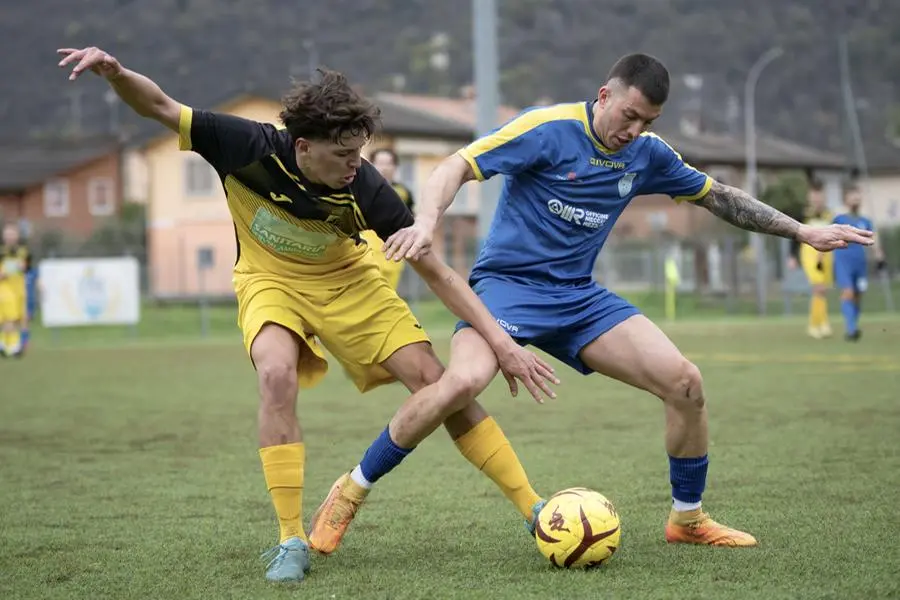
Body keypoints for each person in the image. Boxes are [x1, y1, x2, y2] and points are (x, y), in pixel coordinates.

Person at [58, 46, 558, 583]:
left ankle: (533, 509)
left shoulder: (366, 186)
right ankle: (291, 537)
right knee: (276, 374)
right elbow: (158, 105)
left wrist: (501, 343)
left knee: (437, 382)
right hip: (268, 281)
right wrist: (116, 74)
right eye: (344, 154)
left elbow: (438, 274)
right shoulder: (242, 145)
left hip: (349, 284)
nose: (355, 165)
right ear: (302, 146)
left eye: (359, 153)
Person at [359, 53, 871, 550]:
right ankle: (352, 489)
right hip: (506, 288)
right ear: (605, 95)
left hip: (578, 297)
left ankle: (687, 520)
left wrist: (802, 230)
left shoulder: (648, 153)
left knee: (685, 382)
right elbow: (456, 165)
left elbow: (719, 196)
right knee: (462, 384)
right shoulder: (548, 128)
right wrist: (425, 222)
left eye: (647, 122)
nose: (634, 130)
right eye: (629, 115)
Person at [832, 184, 886, 341]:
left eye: (858, 195)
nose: (856, 198)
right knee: (848, 292)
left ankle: (853, 325)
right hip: (843, 262)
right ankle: (851, 329)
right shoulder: (839, 219)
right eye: (852, 195)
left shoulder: (865, 221)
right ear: (845, 199)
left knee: (858, 296)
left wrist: (879, 257)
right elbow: (828, 236)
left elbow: (873, 239)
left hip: (860, 264)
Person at [360, 148, 414, 290]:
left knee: (388, 292)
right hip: (366, 249)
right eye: (380, 163)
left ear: (395, 167)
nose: (384, 167)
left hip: (393, 251)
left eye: (388, 163)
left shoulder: (404, 192)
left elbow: (411, 220)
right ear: (371, 165)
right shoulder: (361, 188)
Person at [795, 179, 835, 339]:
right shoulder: (804, 214)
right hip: (810, 253)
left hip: (826, 254)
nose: (817, 198)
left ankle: (823, 323)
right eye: (814, 195)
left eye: (820, 195)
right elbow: (794, 234)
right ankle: (814, 325)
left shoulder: (829, 214)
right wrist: (792, 256)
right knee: (818, 287)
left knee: (823, 290)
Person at [0, 223, 30, 358]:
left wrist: (21, 267)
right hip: (4, 288)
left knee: (18, 318)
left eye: (12, 234)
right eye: (8, 234)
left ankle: (4, 343)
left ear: (17, 235)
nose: (10, 237)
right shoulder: (1, 251)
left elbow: (26, 267)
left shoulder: (23, 251)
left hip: (19, 288)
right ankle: (13, 346)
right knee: (9, 317)